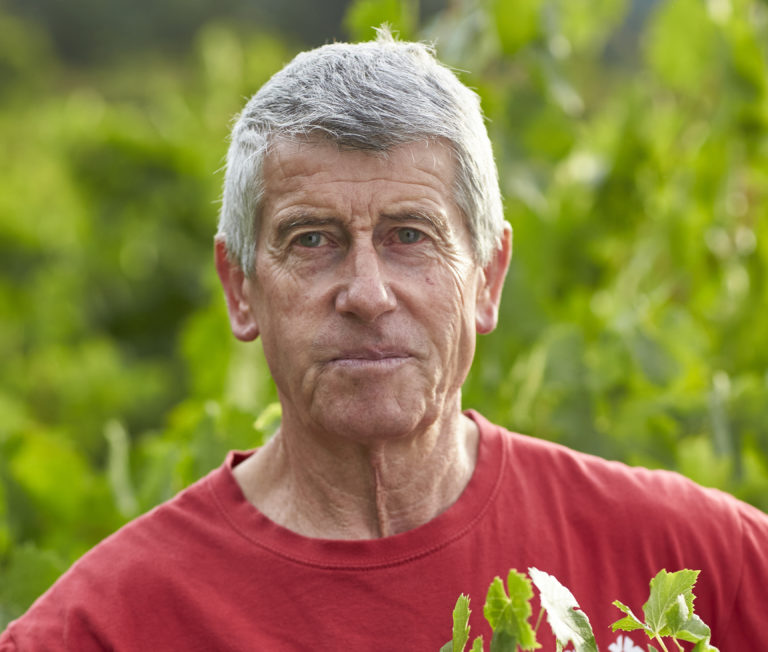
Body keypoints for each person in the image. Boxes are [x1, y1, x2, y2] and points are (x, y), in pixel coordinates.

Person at [2, 29, 767, 651]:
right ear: (240, 290)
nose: (367, 293)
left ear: (489, 279)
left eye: (409, 235)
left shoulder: (702, 564)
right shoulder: (99, 631)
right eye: (311, 240)